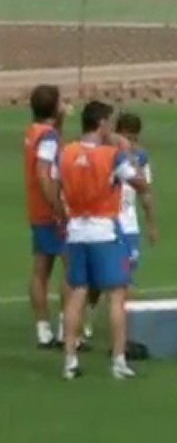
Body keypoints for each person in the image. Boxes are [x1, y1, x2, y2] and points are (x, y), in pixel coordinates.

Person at [57, 101, 150, 380]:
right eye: (108, 122)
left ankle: (70, 360)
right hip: (105, 231)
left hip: (76, 229)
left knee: (77, 293)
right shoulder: (112, 156)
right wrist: (127, 151)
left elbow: (58, 183)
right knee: (117, 295)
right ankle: (119, 360)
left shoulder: (67, 153)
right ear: (101, 123)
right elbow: (141, 183)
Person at [83, 112, 159, 338]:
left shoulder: (140, 157)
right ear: (117, 133)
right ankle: (88, 314)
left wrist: (152, 224)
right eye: (127, 137)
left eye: (135, 138)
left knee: (125, 279)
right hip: (106, 222)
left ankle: (122, 329)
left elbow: (145, 191)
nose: (131, 142)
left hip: (130, 226)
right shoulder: (106, 154)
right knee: (98, 277)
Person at [23, 84, 71, 349]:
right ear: (53, 106)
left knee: (41, 269)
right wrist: (58, 208)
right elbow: (44, 172)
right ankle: (66, 329)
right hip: (50, 209)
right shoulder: (48, 137)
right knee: (72, 267)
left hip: (36, 208)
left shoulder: (34, 131)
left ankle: (43, 331)